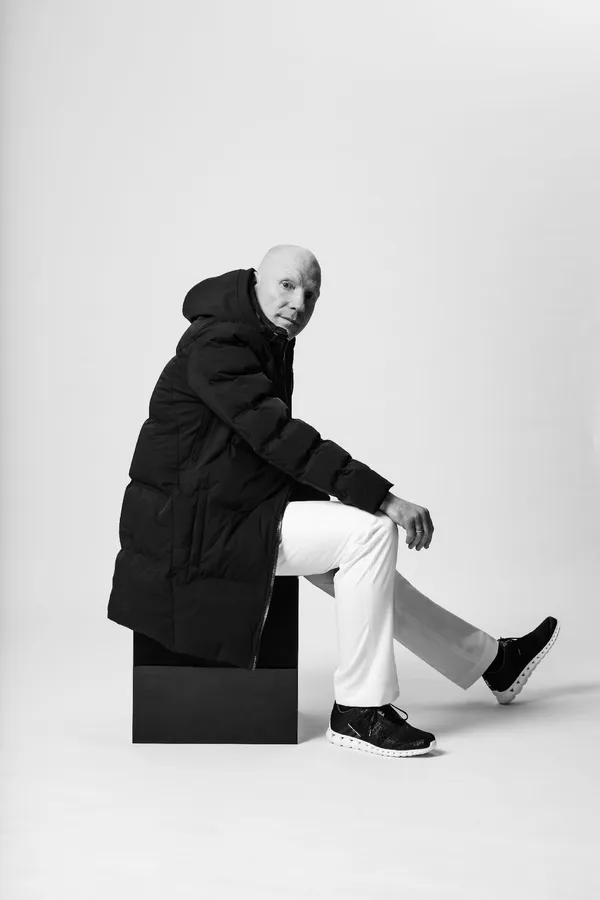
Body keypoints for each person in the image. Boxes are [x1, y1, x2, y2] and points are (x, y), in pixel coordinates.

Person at [107, 243, 560, 758]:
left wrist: (348, 500)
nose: (298, 303)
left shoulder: (256, 336)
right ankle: (360, 711)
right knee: (370, 533)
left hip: (227, 513)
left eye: (311, 294)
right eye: (287, 285)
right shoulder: (221, 344)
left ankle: (492, 663)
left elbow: (251, 452)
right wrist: (381, 498)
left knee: (366, 562)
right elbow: (277, 436)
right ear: (256, 280)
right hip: (196, 533)